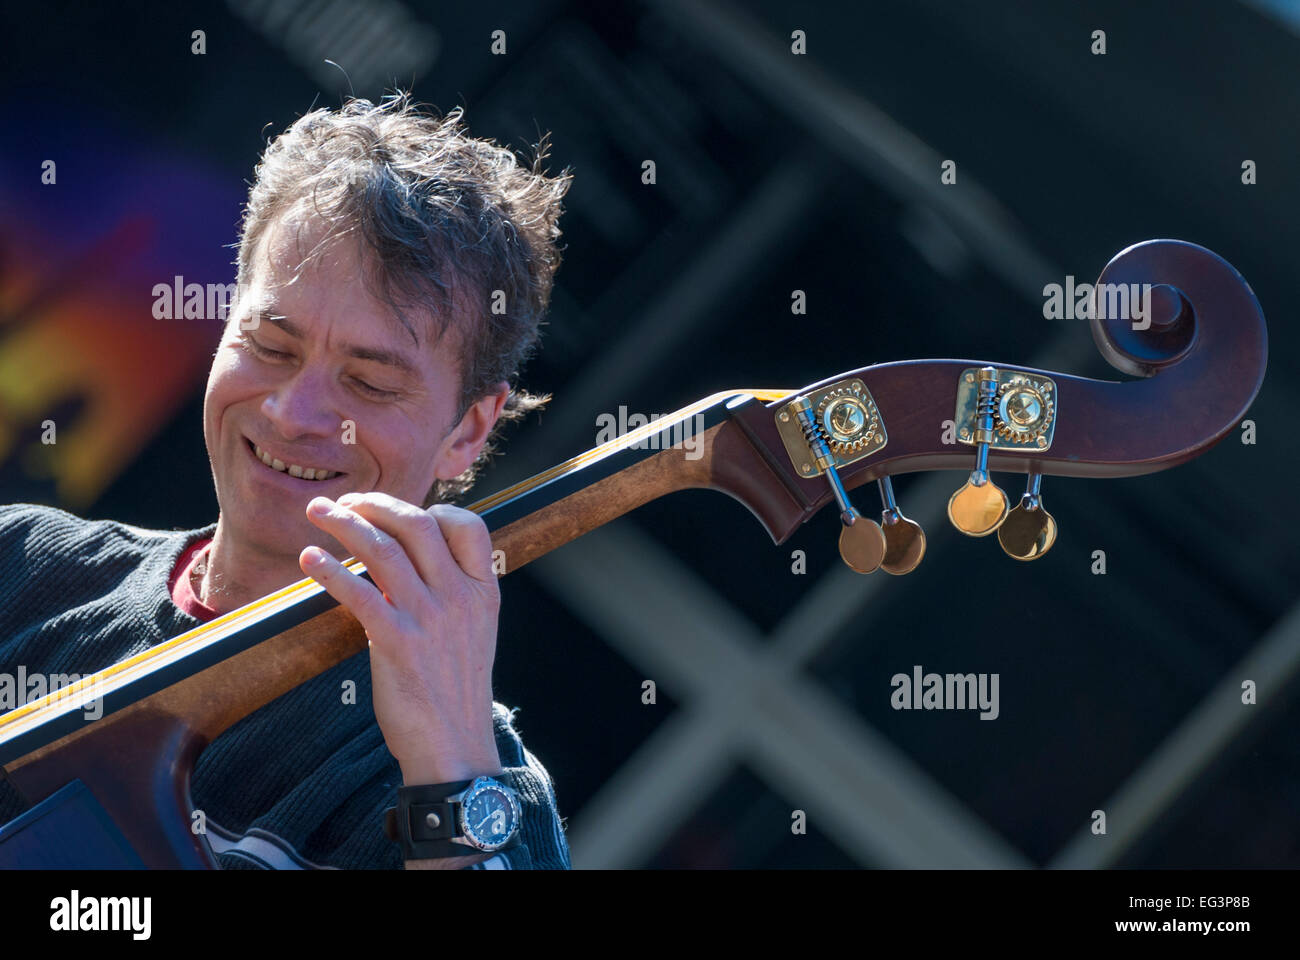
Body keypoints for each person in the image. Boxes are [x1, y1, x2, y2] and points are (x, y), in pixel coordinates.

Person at [0, 93, 574, 869]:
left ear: (467, 430)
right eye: (270, 344)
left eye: (369, 383)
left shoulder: (487, 795)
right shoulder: (23, 564)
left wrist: (450, 768)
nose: (294, 411)